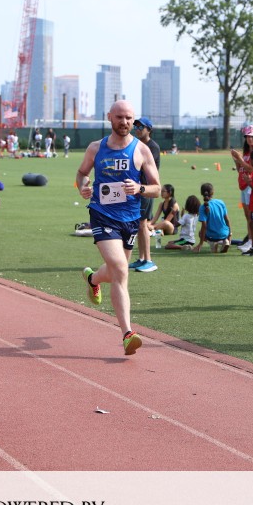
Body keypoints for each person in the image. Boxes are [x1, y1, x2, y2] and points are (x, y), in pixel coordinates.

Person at [76, 100, 161, 355]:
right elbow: (81, 173)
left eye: (129, 118)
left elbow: (157, 189)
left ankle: (92, 278)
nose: (124, 122)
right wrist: (83, 186)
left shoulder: (142, 150)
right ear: (109, 117)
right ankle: (127, 334)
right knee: (121, 269)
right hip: (102, 215)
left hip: (130, 219)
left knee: (116, 271)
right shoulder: (96, 148)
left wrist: (140, 188)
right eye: (120, 117)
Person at [129, 117, 161, 273]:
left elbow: (144, 166)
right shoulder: (137, 145)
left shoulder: (152, 147)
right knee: (139, 225)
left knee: (142, 224)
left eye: (141, 127)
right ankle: (141, 258)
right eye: (136, 126)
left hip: (146, 189)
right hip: (137, 189)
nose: (137, 129)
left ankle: (148, 260)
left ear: (149, 130)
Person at [229, 124, 253, 252]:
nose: (250, 139)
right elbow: (241, 169)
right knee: (247, 216)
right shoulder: (247, 152)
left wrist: (240, 159)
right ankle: (250, 240)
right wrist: (236, 160)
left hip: (252, 186)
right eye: (248, 136)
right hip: (244, 185)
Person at [192, 182, 232, 253]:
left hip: (212, 236)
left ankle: (212, 243)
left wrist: (200, 244)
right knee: (222, 231)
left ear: (201, 193)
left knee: (200, 233)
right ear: (212, 192)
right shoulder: (221, 202)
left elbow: (204, 226)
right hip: (225, 233)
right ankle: (225, 241)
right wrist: (229, 235)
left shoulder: (202, 207)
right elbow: (227, 220)